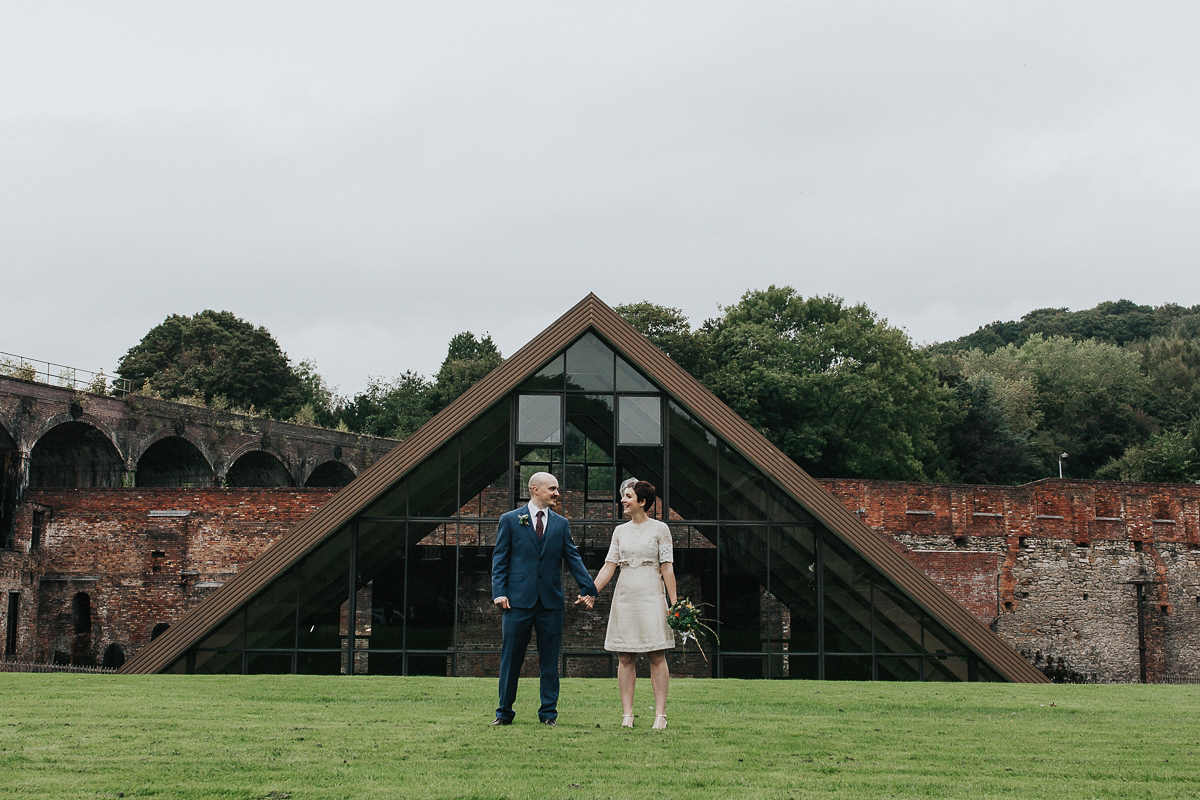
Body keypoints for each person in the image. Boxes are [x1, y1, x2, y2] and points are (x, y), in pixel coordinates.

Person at [491, 471, 597, 726]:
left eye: (557, 489)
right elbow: (499, 559)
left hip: (551, 603)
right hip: (516, 602)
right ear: (535, 490)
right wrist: (499, 592)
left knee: (550, 660)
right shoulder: (510, 520)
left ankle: (548, 714)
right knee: (511, 659)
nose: (557, 493)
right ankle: (504, 713)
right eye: (552, 489)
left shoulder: (561, 524)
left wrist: (589, 588)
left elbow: (572, 558)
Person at [584, 478, 677, 729]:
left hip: (651, 593)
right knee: (625, 656)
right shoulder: (620, 531)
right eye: (623, 496)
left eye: (627, 497)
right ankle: (627, 714)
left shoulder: (660, 529)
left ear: (642, 501)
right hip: (625, 595)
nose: (622, 501)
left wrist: (674, 603)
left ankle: (660, 714)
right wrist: (591, 591)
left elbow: (667, 567)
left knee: (656, 655)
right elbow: (609, 566)